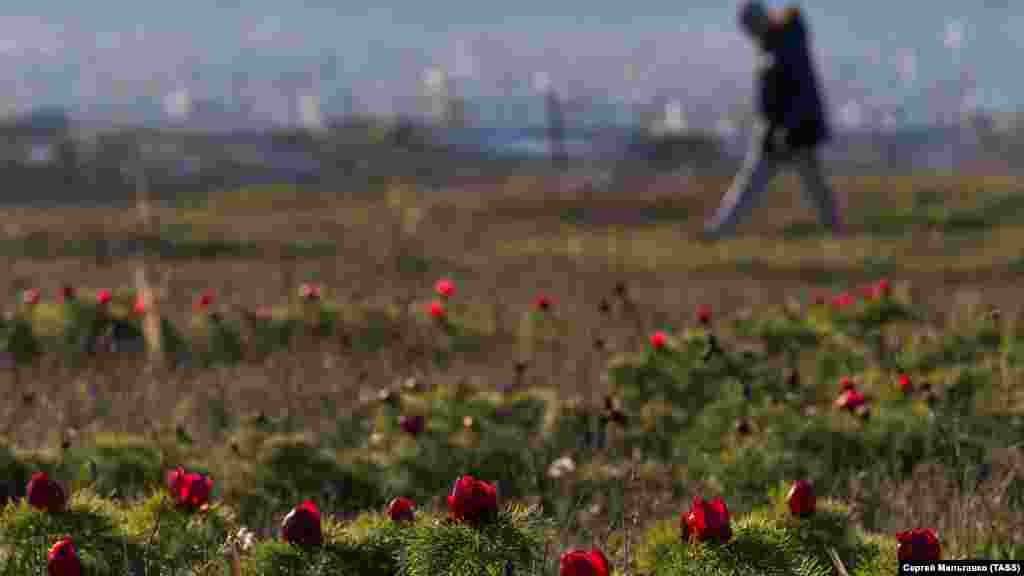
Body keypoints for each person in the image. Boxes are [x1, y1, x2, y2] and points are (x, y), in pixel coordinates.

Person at [703, 1, 845, 240]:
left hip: (790, 130)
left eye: (750, 27)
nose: (749, 33)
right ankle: (720, 230)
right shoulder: (779, 41)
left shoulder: (782, 44)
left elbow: (796, 91)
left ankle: (720, 230)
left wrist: (785, 127)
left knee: (759, 183)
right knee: (809, 184)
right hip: (784, 129)